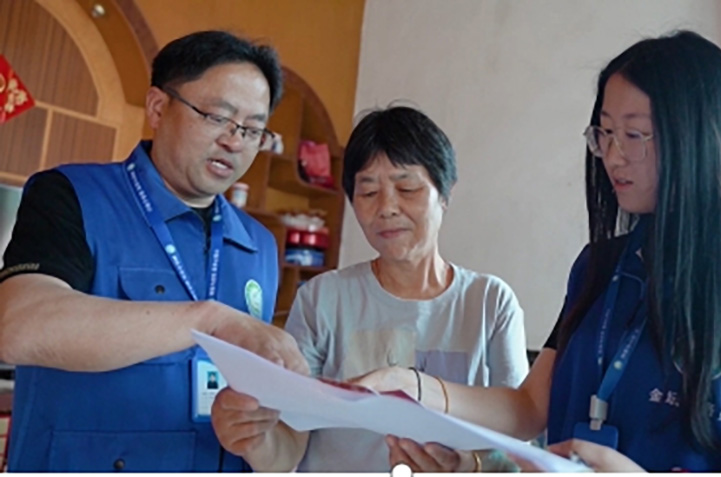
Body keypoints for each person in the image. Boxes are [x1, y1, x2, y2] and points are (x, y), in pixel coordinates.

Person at [352, 31, 721, 472]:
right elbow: (529, 407)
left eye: (634, 134)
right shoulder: (599, 266)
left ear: (700, 136)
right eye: (605, 132)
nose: (612, 155)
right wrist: (413, 387)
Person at [0, 30, 309, 472]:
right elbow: (18, 327)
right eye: (218, 117)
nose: (235, 141)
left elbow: (280, 456)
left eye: (253, 130)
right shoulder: (73, 195)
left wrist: (255, 434)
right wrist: (209, 320)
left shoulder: (257, 242)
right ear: (158, 108)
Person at [211, 105, 530, 471]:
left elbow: (519, 442)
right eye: (368, 192)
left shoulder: (490, 302)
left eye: (407, 188)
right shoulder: (322, 299)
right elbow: (286, 452)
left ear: (445, 194)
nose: (387, 208)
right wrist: (252, 438)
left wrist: (469, 465)